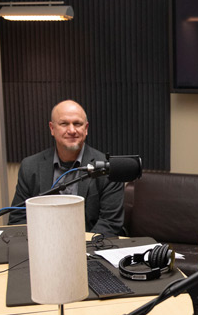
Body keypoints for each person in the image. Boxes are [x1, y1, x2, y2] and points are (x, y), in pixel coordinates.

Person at [8, 100, 124, 237]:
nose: (72, 130)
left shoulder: (108, 168)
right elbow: (18, 219)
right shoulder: (30, 166)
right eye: (64, 124)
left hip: (90, 248)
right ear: (52, 128)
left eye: (77, 124)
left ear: (86, 129)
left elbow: (110, 223)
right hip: (43, 246)